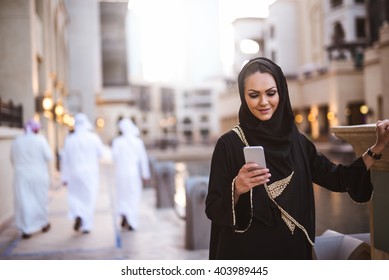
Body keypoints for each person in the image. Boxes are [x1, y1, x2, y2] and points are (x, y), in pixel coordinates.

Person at [205, 57, 389, 260]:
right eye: (254, 95)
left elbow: (337, 178)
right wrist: (237, 188)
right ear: (243, 96)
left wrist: (376, 147)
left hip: (293, 253)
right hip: (248, 256)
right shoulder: (229, 145)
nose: (264, 102)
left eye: (271, 93)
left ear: (281, 92)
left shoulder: (298, 143)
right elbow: (213, 208)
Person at [60, 113, 104, 234]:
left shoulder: (70, 139)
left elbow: (65, 160)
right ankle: (86, 225)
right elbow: (101, 153)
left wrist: (64, 177)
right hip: (90, 174)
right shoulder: (93, 137)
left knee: (75, 196)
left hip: (74, 174)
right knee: (89, 198)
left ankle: (78, 213)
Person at [10, 119, 53, 239]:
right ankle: (43, 223)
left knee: (23, 201)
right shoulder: (40, 140)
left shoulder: (16, 141)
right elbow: (49, 156)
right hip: (38, 174)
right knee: (40, 199)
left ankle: (26, 228)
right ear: (37, 129)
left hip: (21, 176)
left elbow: (12, 159)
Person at [111, 118, 150, 230]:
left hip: (121, 173)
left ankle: (124, 212)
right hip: (133, 173)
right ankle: (131, 220)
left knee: (122, 195)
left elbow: (114, 157)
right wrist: (145, 174)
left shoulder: (117, 142)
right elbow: (143, 159)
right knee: (133, 195)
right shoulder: (137, 142)